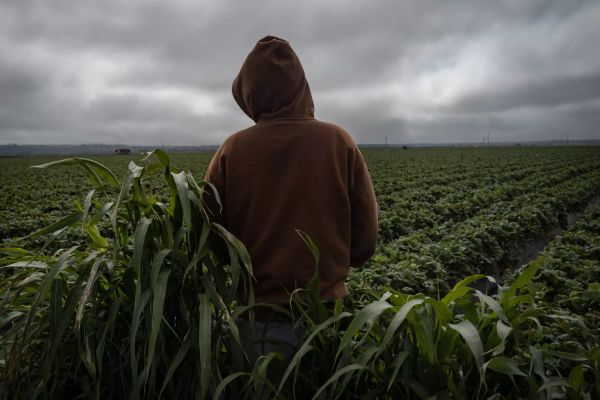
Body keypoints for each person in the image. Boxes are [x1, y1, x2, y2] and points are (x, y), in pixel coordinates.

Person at [203, 35, 378, 362]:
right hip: (327, 316)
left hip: (257, 321)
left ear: (249, 94)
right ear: (302, 87)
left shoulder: (232, 150)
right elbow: (366, 237)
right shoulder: (339, 141)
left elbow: (210, 237)